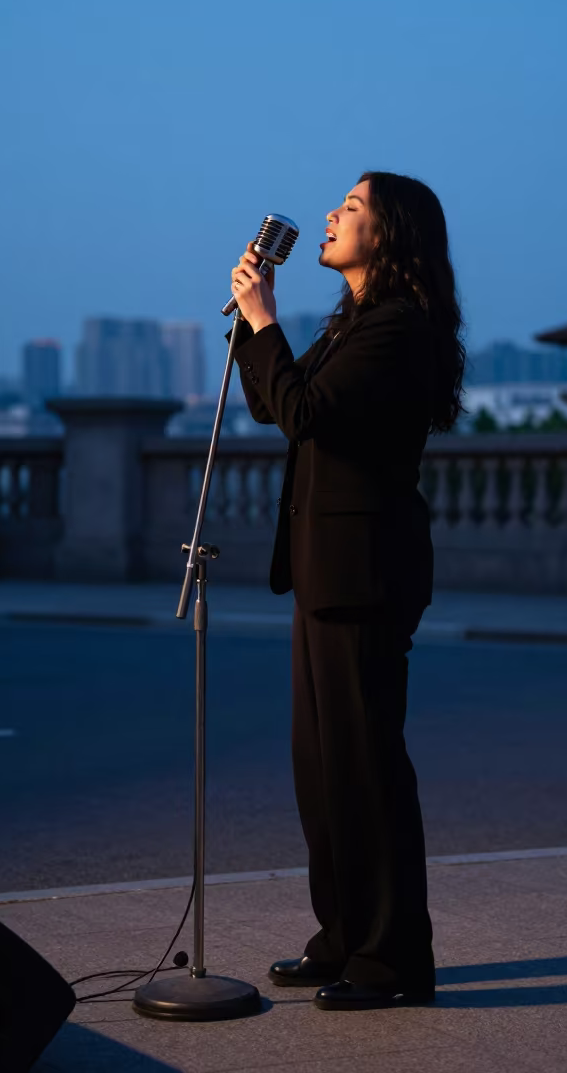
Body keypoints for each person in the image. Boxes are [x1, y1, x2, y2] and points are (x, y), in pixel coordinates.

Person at [227, 171, 466, 1011]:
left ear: (390, 235)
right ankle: (341, 939)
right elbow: (277, 405)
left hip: (366, 575)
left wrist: (264, 322)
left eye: (352, 209)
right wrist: (257, 330)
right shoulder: (354, 324)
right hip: (327, 572)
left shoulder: (399, 328)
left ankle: (392, 962)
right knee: (322, 771)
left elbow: (306, 414)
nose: (331, 215)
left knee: (367, 773)